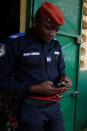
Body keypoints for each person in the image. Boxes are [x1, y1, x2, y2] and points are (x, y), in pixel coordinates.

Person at [0, 2, 72, 131]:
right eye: (48, 27)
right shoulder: (15, 43)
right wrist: (33, 88)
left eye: (56, 29)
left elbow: (61, 69)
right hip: (28, 107)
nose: (53, 33)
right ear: (35, 22)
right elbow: (2, 80)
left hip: (54, 106)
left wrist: (64, 78)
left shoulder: (55, 45)